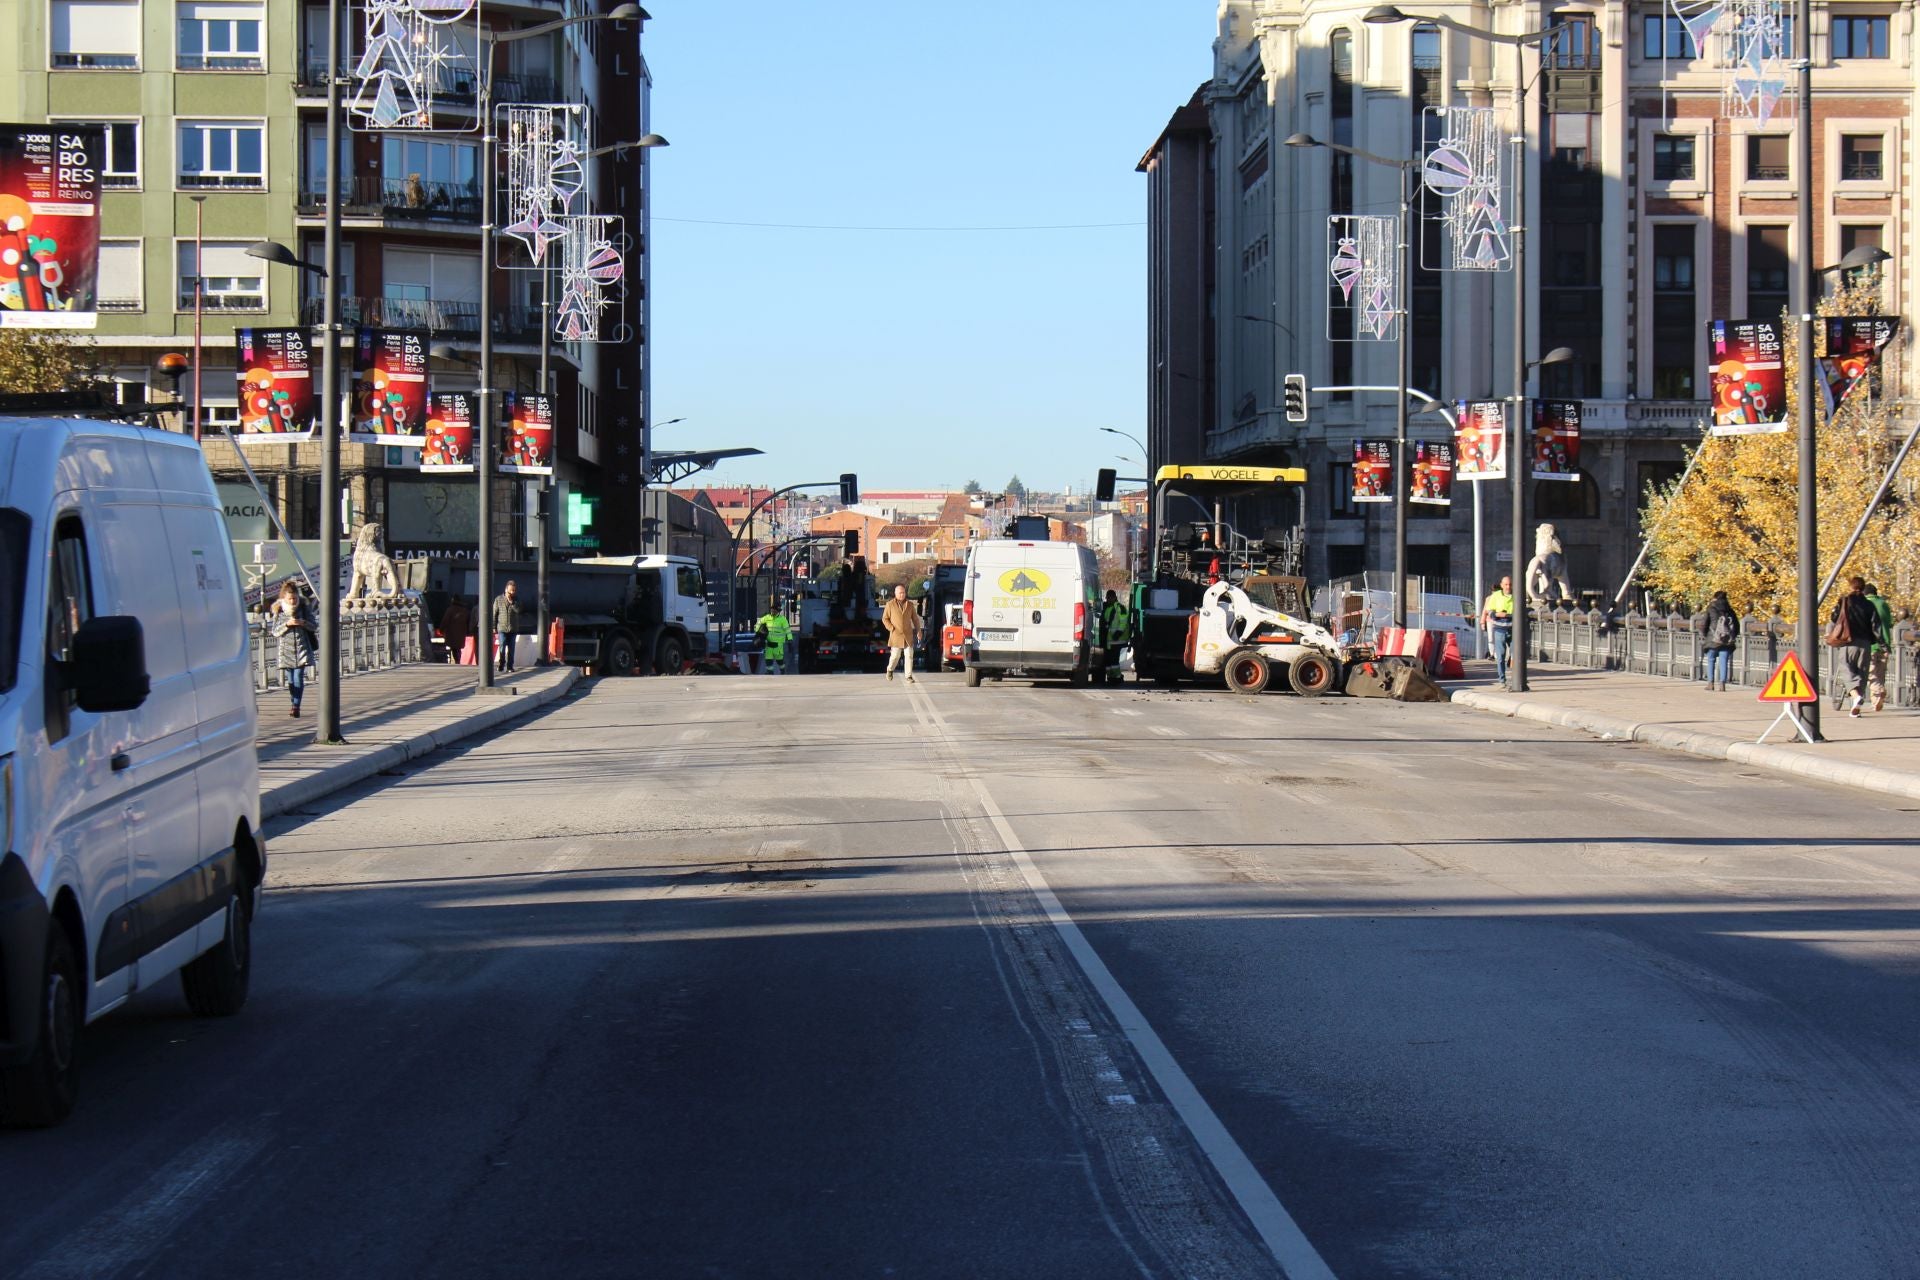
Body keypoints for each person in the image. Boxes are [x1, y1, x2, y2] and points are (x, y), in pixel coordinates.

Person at [1831, 576, 1884, 719]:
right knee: (1862, 674)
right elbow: (1876, 626)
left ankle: (1855, 696)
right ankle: (1856, 708)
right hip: (1866, 644)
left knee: (1845, 668)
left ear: (1850, 586)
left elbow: (1834, 617)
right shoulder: (1869, 605)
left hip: (1848, 642)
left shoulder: (1845, 601)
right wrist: (1882, 643)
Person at [269, 580, 316, 718]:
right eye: (290, 599)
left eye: (294, 598)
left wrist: (303, 623)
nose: (292, 601)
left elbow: (314, 626)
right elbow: (275, 631)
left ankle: (296, 706)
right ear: (284, 598)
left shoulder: (303, 608)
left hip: (302, 648)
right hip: (286, 651)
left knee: (298, 677)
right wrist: (287, 624)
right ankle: (293, 702)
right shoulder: (279, 610)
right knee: (290, 680)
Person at [1699, 590, 1739, 691]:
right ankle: (1722, 684)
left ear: (1715, 598)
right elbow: (1737, 626)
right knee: (1723, 661)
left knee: (1711, 660)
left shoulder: (1711, 608)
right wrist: (1732, 636)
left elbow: (1704, 624)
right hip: (1726, 641)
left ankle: (1711, 683)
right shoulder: (1730, 610)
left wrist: (1705, 634)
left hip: (1713, 639)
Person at [1865, 583, 1896, 712]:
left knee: (1871, 674)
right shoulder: (1883, 604)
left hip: (1870, 644)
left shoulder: (1865, 604)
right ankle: (1877, 701)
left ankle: (1878, 694)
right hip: (1885, 645)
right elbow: (1890, 623)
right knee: (1881, 673)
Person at [1481, 574, 1515, 687]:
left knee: (1515, 655)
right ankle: (1502, 679)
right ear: (1501, 585)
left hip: (1514, 629)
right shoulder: (1495, 596)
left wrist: (1509, 615)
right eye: (1506, 584)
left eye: (1510, 584)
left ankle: (1516, 678)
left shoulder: (1517, 594)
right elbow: (1490, 612)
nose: (1508, 586)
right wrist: (1497, 614)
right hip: (1500, 629)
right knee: (1500, 656)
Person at [882, 583, 921, 683]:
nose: (902, 595)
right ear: (895, 594)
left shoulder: (910, 605)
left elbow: (915, 619)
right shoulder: (890, 605)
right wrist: (891, 628)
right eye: (900, 593)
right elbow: (885, 619)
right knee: (895, 656)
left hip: (908, 635)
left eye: (903, 593)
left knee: (909, 655)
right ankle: (890, 670)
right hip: (896, 635)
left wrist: (918, 631)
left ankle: (908, 676)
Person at [755, 605, 792, 676]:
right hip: (769, 643)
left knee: (779, 661)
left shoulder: (782, 620)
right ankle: (770, 673)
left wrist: (790, 639)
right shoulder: (767, 617)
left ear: (778, 611)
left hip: (778, 644)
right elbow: (759, 622)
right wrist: (757, 631)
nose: (772, 611)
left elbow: (787, 630)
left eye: (774, 610)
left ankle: (783, 670)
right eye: (772, 610)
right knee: (768, 660)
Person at [493, 580, 520, 673]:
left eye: (514, 591)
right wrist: (493, 626)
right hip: (502, 627)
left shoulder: (516, 600)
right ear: (506, 590)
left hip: (513, 628)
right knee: (502, 646)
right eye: (511, 590)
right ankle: (501, 664)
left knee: (511, 648)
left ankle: (510, 666)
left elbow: (519, 610)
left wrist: (511, 602)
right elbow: (494, 614)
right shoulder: (498, 599)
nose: (512, 592)